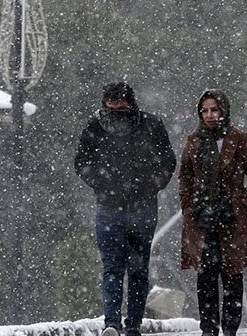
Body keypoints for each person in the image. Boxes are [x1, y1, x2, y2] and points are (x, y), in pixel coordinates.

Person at [74, 82, 176, 336]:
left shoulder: (149, 125)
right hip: (115, 206)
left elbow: (166, 162)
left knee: (129, 269)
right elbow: (82, 161)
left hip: (134, 206)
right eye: (112, 108)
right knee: (121, 268)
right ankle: (117, 323)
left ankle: (127, 323)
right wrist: (105, 185)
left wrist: (148, 187)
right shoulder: (98, 126)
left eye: (121, 107)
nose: (116, 114)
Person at [178, 89, 247, 336]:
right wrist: (190, 207)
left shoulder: (239, 138)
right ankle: (208, 329)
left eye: (214, 109)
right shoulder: (193, 140)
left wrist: (241, 204)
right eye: (204, 110)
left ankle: (230, 329)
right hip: (201, 219)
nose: (209, 115)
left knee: (232, 276)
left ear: (223, 110)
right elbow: (185, 176)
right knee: (205, 275)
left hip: (232, 219)